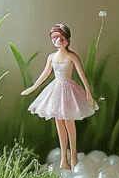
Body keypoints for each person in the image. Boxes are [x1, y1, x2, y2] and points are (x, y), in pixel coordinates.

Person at [21, 23, 98, 169]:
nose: (58, 41)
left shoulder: (72, 56)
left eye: (61, 38)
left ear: (67, 40)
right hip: (56, 90)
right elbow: (44, 75)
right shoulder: (51, 57)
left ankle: (73, 155)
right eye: (55, 38)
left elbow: (82, 76)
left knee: (69, 123)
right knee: (59, 122)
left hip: (69, 89)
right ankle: (64, 157)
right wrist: (32, 87)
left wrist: (88, 93)